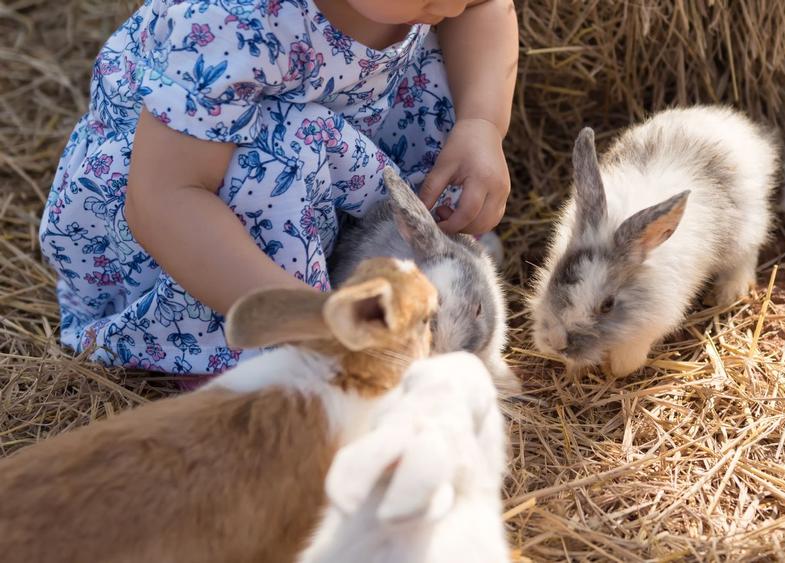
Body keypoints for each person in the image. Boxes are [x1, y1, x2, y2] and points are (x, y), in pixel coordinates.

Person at [38, 0, 518, 376]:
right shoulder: (233, 21)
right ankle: (241, 345)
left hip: (338, 139)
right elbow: (163, 202)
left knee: (453, 76)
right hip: (197, 215)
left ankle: (402, 257)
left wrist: (481, 123)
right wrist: (309, 320)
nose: (454, 4)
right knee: (281, 154)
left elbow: (483, 8)